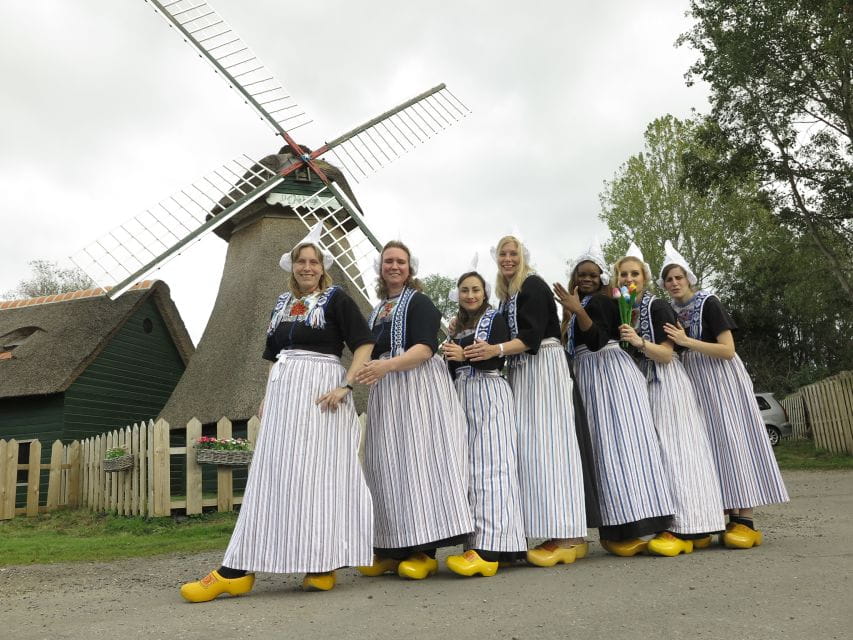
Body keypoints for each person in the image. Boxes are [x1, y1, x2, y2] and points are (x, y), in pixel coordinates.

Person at [180, 224, 375, 602]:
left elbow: (364, 343)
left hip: (322, 394)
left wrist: (346, 385)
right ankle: (238, 568)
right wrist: (269, 395)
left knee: (320, 475)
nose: (306, 267)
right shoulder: (281, 305)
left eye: (313, 261)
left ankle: (322, 561)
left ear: (322, 266)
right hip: (285, 394)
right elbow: (273, 358)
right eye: (301, 261)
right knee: (274, 473)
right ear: (292, 266)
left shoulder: (337, 299)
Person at [355, 240, 473, 579]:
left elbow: (424, 349)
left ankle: (424, 549)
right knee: (387, 465)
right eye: (388, 261)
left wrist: (386, 366)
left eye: (400, 262)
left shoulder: (420, 302)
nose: (394, 266)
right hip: (387, 389)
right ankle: (394, 547)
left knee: (419, 463)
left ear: (410, 268)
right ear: (380, 268)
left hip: (417, 388)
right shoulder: (377, 309)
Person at [659, 240, 789, 548]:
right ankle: (716, 514)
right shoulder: (673, 310)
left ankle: (744, 518)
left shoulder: (708, 302)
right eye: (669, 279)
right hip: (694, 380)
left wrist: (686, 341)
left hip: (720, 378)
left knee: (732, 441)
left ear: (688, 277)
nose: (675, 283)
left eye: (679, 277)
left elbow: (728, 350)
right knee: (707, 446)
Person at [555, 241, 673, 557]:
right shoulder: (577, 304)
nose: (587, 278)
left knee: (620, 446)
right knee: (602, 451)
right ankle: (614, 527)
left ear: (602, 277)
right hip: (588, 377)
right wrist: (572, 311)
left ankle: (636, 523)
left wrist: (578, 311)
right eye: (582, 274)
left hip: (610, 375)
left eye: (593, 274)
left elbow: (595, 341)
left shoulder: (605, 302)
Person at [614, 244, 725, 556]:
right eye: (623, 274)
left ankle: (687, 525)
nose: (628, 278)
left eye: (634, 273)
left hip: (667, 382)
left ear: (645, 278)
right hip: (644, 385)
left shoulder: (657, 307)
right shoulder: (628, 310)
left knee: (677, 450)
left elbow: (667, 353)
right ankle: (684, 524)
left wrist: (638, 341)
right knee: (660, 454)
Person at [483, 234, 586, 566]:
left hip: (544, 364)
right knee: (532, 447)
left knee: (553, 443)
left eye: (513, 253)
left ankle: (570, 534)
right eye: (503, 254)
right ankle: (550, 528)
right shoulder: (507, 297)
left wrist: (496, 349)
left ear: (522, 257)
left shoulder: (534, 286)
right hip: (523, 370)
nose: (508, 259)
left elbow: (530, 337)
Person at [441, 269, 526, 577]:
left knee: (493, 467)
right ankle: (479, 542)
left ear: (484, 292)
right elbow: (453, 367)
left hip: (489, 390)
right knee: (471, 470)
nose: (470, 295)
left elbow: (493, 360)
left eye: (475, 289)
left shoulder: (495, 320)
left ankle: (491, 546)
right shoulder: (457, 327)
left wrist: (461, 355)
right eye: (465, 290)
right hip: (464, 394)